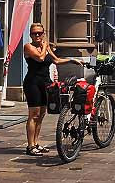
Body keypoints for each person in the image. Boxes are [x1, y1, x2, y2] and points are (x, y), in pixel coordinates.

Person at [23, 22, 75, 156]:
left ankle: (36, 143)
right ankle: (30, 146)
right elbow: (40, 59)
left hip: (45, 82)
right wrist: (45, 46)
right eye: (35, 33)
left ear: (43, 33)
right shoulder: (28, 47)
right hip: (32, 83)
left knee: (41, 114)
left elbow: (56, 60)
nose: (37, 35)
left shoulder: (45, 47)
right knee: (33, 114)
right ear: (31, 35)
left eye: (40, 33)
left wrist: (71, 60)